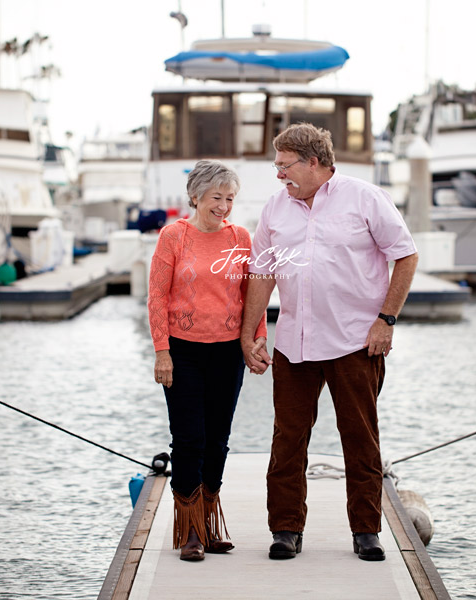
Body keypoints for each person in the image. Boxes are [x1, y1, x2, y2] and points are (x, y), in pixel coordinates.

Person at [240, 123, 418, 562]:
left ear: (313, 162)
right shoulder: (275, 209)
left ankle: (366, 532)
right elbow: (261, 273)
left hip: (355, 342)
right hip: (294, 344)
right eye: (277, 167)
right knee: (287, 440)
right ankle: (284, 530)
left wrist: (386, 320)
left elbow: (406, 254)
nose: (279, 175)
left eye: (285, 166)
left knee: (360, 439)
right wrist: (251, 333)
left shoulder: (365, 198)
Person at [148, 159, 267, 561]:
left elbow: (254, 296)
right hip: (182, 350)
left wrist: (256, 341)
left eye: (230, 198)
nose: (223, 206)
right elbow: (157, 297)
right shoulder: (173, 236)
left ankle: (210, 523)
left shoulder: (241, 237)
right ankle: (192, 533)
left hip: (227, 350)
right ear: (196, 196)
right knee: (189, 440)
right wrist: (162, 351)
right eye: (216, 197)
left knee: (218, 440)